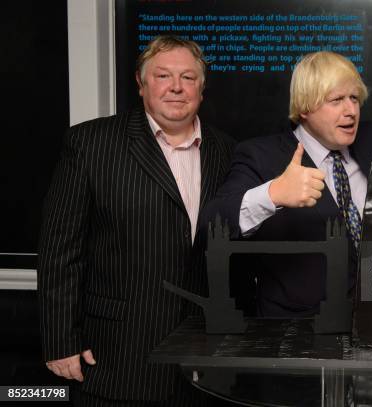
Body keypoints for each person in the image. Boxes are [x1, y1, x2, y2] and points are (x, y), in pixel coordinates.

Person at [38, 36, 235, 405]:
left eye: (188, 77)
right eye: (163, 75)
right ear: (141, 84)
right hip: (116, 355)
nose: (176, 86)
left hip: (202, 358)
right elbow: (59, 250)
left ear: (202, 89)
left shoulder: (225, 149)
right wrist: (60, 342)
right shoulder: (91, 143)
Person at [207, 51, 372, 318]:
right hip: (297, 334)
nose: (351, 111)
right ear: (304, 107)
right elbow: (211, 223)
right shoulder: (260, 156)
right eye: (336, 100)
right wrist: (272, 194)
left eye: (354, 98)